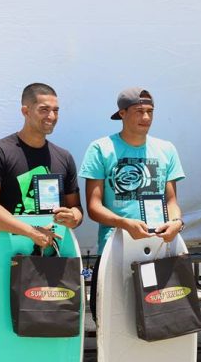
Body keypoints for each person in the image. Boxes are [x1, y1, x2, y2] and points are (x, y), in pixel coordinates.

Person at [79, 87, 186, 316]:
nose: (146, 118)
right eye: (139, 111)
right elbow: (94, 207)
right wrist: (124, 223)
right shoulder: (101, 148)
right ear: (122, 113)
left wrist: (177, 222)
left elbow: (171, 200)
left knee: (163, 322)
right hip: (116, 247)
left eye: (150, 111)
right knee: (112, 322)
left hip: (160, 248)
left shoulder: (166, 149)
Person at [0, 83, 83, 248]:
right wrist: (31, 232)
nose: (52, 116)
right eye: (44, 110)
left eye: (56, 110)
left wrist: (74, 217)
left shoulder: (64, 157)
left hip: (53, 253)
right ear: (25, 111)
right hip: (7, 253)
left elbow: (75, 207)